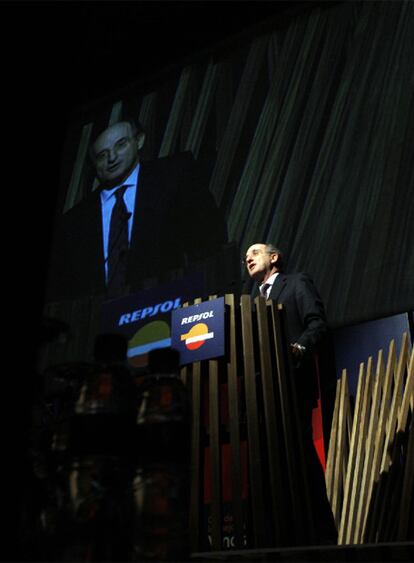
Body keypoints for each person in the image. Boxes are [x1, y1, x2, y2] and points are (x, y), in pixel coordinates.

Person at [48, 117, 228, 300]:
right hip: (97, 321)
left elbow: (211, 238)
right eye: (102, 155)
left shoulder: (175, 176)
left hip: (174, 306)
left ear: (139, 140)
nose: (112, 158)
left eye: (120, 145)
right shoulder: (75, 221)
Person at [244, 242, 337, 545]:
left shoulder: (296, 283)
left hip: (293, 384)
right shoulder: (251, 302)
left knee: (300, 459)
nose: (248, 258)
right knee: (274, 469)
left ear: (274, 258)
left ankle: (323, 537)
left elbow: (317, 324)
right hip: (263, 395)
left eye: (254, 252)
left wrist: (298, 349)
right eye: (246, 256)